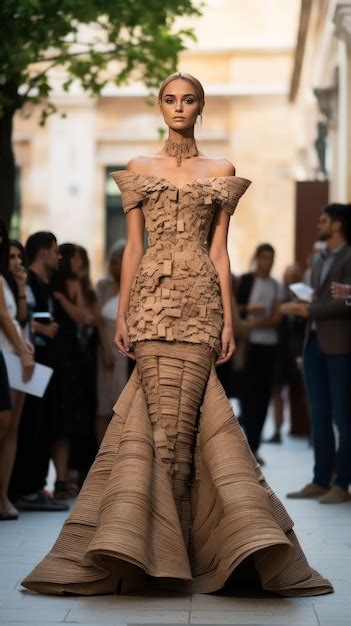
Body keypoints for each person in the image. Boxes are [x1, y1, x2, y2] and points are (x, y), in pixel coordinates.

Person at [22, 72, 332, 597]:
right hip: (150, 305)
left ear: (201, 106)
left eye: (188, 100)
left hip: (200, 306)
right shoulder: (141, 169)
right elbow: (135, 249)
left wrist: (228, 320)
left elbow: (219, 251)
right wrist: (122, 317)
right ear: (160, 106)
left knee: (186, 425)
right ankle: (148, 548)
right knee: (156, 420)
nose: (179, 108)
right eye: (169, 99)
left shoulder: (222, 170)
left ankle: (180, 548)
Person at [285, 204, 351, 504]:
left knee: (342, 417)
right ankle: (320, 479)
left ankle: (342, 482)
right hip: (313, 344)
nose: (319, 225)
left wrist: (309, 309)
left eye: (323, 220)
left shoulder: (349, 255)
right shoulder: (321, 257)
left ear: (337, 224)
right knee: (320, 416)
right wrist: (307, 301)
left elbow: (346, 301)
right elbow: (326, 296)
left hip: (340, 346)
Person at [9, 232, 68, 513]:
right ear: (43, 252)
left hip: (43, 364)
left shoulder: (42, 284)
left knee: (41, 424)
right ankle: (25, 487)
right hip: (28, 363)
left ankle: (35, 485)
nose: (60, 257)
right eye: (55, 251)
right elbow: (17, 319)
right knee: (29, 424)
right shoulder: (27, 282)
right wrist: (37, 329)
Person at [50, 243, 91, 500]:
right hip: (57, 351)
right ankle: (60, 478)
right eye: (76, 259)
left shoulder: (71, 286)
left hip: (71, 352)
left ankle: (65, 477)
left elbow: (83, 316)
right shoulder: (55, 282)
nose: (79, 263)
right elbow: (81, 317)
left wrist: (63, 299)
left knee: (70, 414)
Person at [0, 222, 35, 520]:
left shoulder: (9, 282)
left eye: (17, 256)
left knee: (12, 430)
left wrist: (21, 286)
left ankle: (4, 496)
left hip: (15, 356)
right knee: (3, 426)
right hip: (7, 356)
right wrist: (23, 352)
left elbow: (20, 317)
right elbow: (4, 319)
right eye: (10, 256)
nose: (16, 261)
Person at [236, 244, 282, 462]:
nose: (268, 262)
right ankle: (246, 445)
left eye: (271, 258)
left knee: (263, 397)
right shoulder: (245, 281)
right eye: (264, 257)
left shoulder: (275, 285)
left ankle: (254, 446)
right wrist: (249, 311)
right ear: (257, 258)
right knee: (247, 396)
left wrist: (253, 324)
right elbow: (234, 309)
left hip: (268, 347)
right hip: (247, 347)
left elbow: (276, 318)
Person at [96, 240, 129, 443]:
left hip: (126, 350)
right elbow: (97, 317)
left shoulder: (135, 286)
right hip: (105, 347)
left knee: (122, 402)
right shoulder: (103, 286)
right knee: (103, 403)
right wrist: (106, 349)